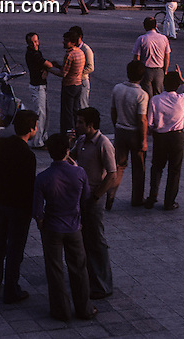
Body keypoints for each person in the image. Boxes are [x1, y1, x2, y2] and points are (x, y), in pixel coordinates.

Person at [33, 133, 97, 322]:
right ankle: (84, 308)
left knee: (55, 270)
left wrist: (41, 223)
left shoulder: (43, 178)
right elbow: (86, 198)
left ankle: (61, 310)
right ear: (67, 151)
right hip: (74, 226)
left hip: (53, 227)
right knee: (79, 268)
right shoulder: (79, 173)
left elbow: (37, 210)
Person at [0, 109, 37, 304]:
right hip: (19, 208)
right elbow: (29, 187)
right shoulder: (27, 155)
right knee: (15, 248)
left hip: (2, 202)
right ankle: (11, 288)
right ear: (31, 129)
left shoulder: (0, 145)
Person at [70, 107, 117, 300]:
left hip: (93, 198)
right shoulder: (81, 141)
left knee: (96, 240)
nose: (77, 125)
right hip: (81, 197)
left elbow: (112, 174)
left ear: (90, 125)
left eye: (80, 122)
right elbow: (70, 159)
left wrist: (96, 196)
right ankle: (90, 279)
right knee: (85, 240)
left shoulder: (103, 144)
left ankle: (103, 284)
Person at [143, 67, 184, 210]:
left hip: (160, 137)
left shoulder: (155, 100)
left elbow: (150, 122)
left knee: (157, 167)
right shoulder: (181, 100)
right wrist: (182, 79)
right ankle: (169, 201)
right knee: (174, 169)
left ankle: (152, 196)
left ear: (164, 84)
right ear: (177, 86)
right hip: (176, 137)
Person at [109, 60, 149, 209]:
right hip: (134, 133)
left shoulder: (117, 88)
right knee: (138, 168)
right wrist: (144, 140)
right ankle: (137, 199)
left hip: (120, 130)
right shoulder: (142, 94)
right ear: (142, 76)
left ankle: (110, 196)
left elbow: (113, 111)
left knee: (118, 166)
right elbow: (142, 119)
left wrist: (116, 125)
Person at [50, 30, 85, 134]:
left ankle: (67, 134)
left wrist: (49, 69)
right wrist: (58, 66)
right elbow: (72, 69)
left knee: (67, 113)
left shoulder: (69, 55)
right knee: (75, 110)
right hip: (78, 84)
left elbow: (63, 74)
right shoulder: (80, 52)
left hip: (69, 86)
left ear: (72, 43)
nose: (64, 42)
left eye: (66, 41)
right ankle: (77, 132)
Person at [25, 32, 53, 148]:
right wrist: (47, 68)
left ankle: (43, 137)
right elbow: (49, 64)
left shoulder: (36, 53)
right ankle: (37, 141)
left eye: (36, 41)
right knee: (40, 114)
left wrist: (45, 69)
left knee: (45, 113)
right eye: (32, 42)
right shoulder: (33, 54)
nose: (35, 44)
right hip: (37, 87)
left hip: (41, 86)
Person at [132, 17, 171, 96]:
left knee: (147, 95)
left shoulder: (141, 39)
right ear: (156, 26)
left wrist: (137, 72)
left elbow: (137, 58)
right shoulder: (164, 38)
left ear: (144, 26)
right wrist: (165, 70)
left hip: (146, 70)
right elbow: (167, 56)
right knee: (158, 95)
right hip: (159, 70)